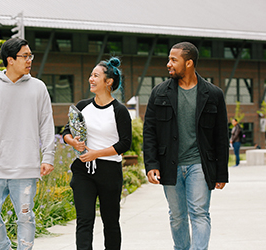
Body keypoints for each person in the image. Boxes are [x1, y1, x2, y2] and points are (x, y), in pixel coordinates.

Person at [0, 38, 55, 250]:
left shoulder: (38, 88)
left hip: (26, 166)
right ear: (10, 60)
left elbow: (47, 124)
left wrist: (48, 156)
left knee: (25, 217)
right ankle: (3, 247)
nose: (29, 60)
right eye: (25, 56)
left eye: (30, 56)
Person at [143, 42, 229, 250]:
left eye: (174, 60)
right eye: (169, 59)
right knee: (178, 216)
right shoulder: (159, 92)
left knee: (199, 213)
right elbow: (150, 132)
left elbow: (220, 136)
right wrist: (151, 164)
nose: (168, 64)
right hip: (169, 165)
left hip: (199, 164)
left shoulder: (213, 94)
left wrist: (221, 173)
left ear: (189, 63)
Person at [62, 57, 132, 250]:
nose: (90, 79)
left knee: (110, 222)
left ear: (108, 82)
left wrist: (97, 153)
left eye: (96, 75)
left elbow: (125, 143)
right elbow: (66, 131)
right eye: (90, 75)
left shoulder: (119, 111)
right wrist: (73, 142)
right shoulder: (83, 106)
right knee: (84, 220)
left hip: (110, 172)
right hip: (83, 171)